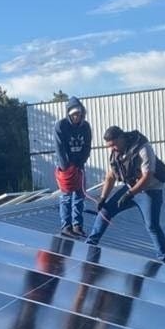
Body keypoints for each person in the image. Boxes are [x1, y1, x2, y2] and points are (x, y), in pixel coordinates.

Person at [86, 126, 165, 262]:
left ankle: (163, 259)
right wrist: (103, 198)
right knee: (105, 212)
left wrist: (130, 194)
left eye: (113, 144)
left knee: (152, 225)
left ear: (121, 138)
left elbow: (147, 176)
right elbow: (110, 177)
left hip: (150, 191)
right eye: (109, 146)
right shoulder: (115, 153)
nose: (112, 148)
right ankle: (90, 244)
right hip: (130, 188)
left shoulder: (143, 148)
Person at [53, 97, 92, 237]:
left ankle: (77, 225)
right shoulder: (61, 126)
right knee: (66, 197)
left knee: (80, 196)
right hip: (66, 168)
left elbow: (87, 146)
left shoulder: (85, 127)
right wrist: (66, 167)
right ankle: (66, 226)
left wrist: (81, 162)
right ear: (69, 113)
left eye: (79, 114)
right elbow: (60, 149)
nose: (77, 117)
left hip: (79, 165)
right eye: (74, 114)